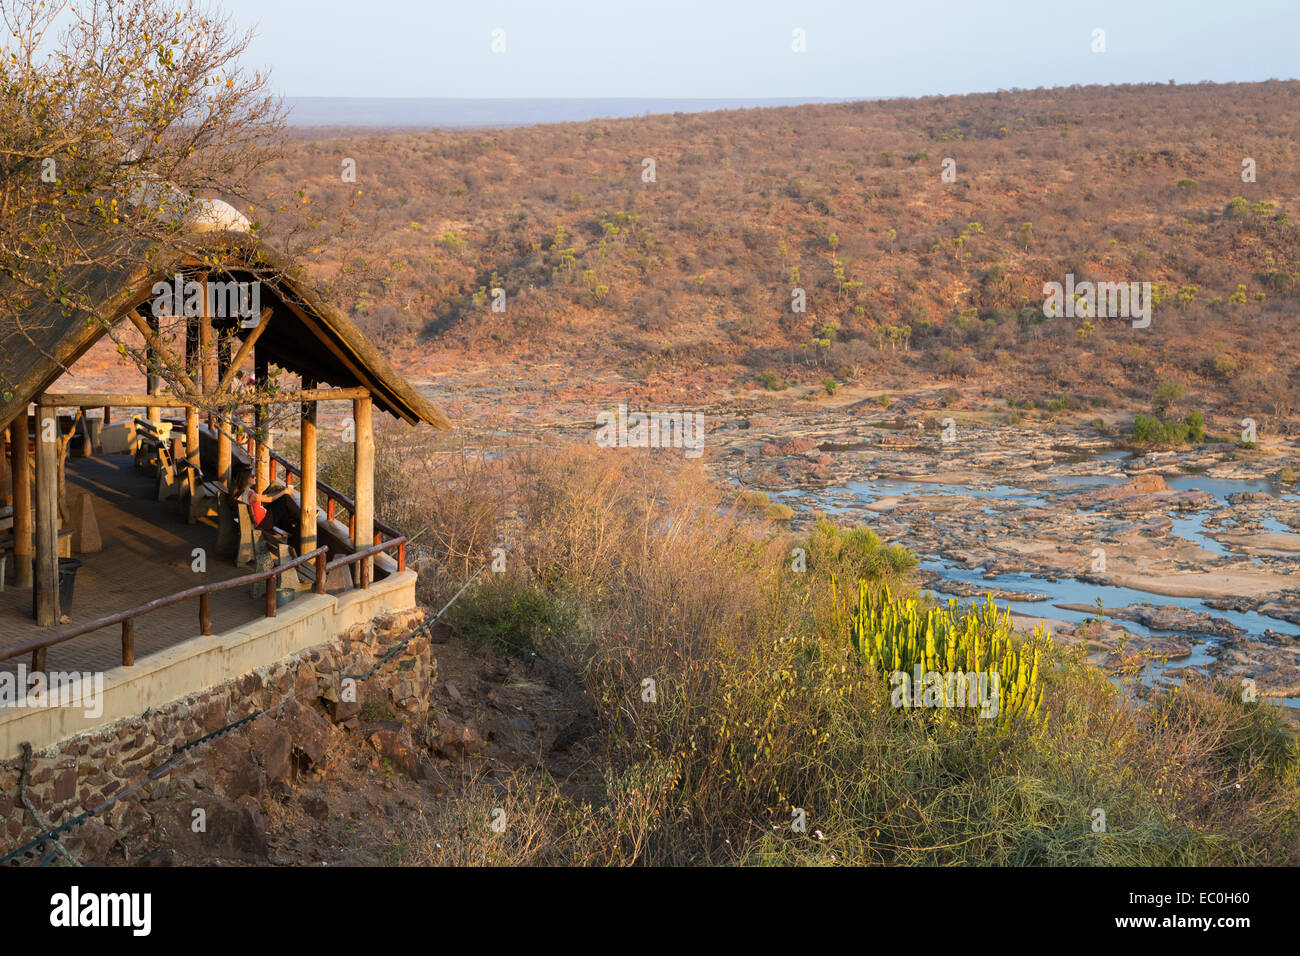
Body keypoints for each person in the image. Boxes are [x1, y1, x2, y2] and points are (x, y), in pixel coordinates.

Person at [231, 464, 297, 537]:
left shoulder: (240, 491)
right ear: (245, 479)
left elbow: (264, 497)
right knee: (285, 498)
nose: (255, 477)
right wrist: (284, 491)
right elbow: (269, 499)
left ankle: (296, 524)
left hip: (253, 522)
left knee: (283, 512)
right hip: (261, 525)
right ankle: (301, 517)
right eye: (252, 476)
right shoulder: (251, 494)